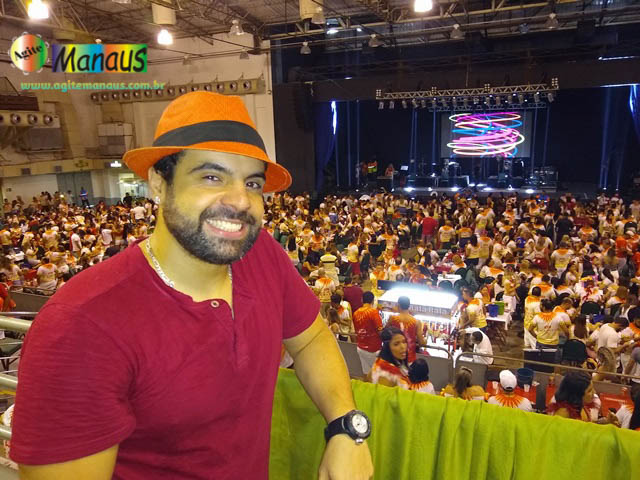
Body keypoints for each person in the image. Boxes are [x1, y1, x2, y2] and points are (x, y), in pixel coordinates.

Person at [11, 92, 373, 480]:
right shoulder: (80, 326)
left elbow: (311, 338)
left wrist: (344, 424)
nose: (240, 201)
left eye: (252, 182)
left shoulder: (261, 254)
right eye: (211, 176)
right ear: (158, 183)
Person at [387, 296, 426, 363]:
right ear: (409, 306)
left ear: (398, 305)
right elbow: (422, 343)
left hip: (394, 357)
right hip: (410, 358)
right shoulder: (417, 322)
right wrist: (425, 341)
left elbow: (385, 334)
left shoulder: (392, 318)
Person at [353, 291, 384, 375]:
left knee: (366, 373)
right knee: (377, 375)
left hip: (361, 347)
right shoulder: (373, 312)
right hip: (374, 349)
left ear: (362, 300)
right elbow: (380, 331)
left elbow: (356, 330)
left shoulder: (355, 313)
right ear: (373, 301)